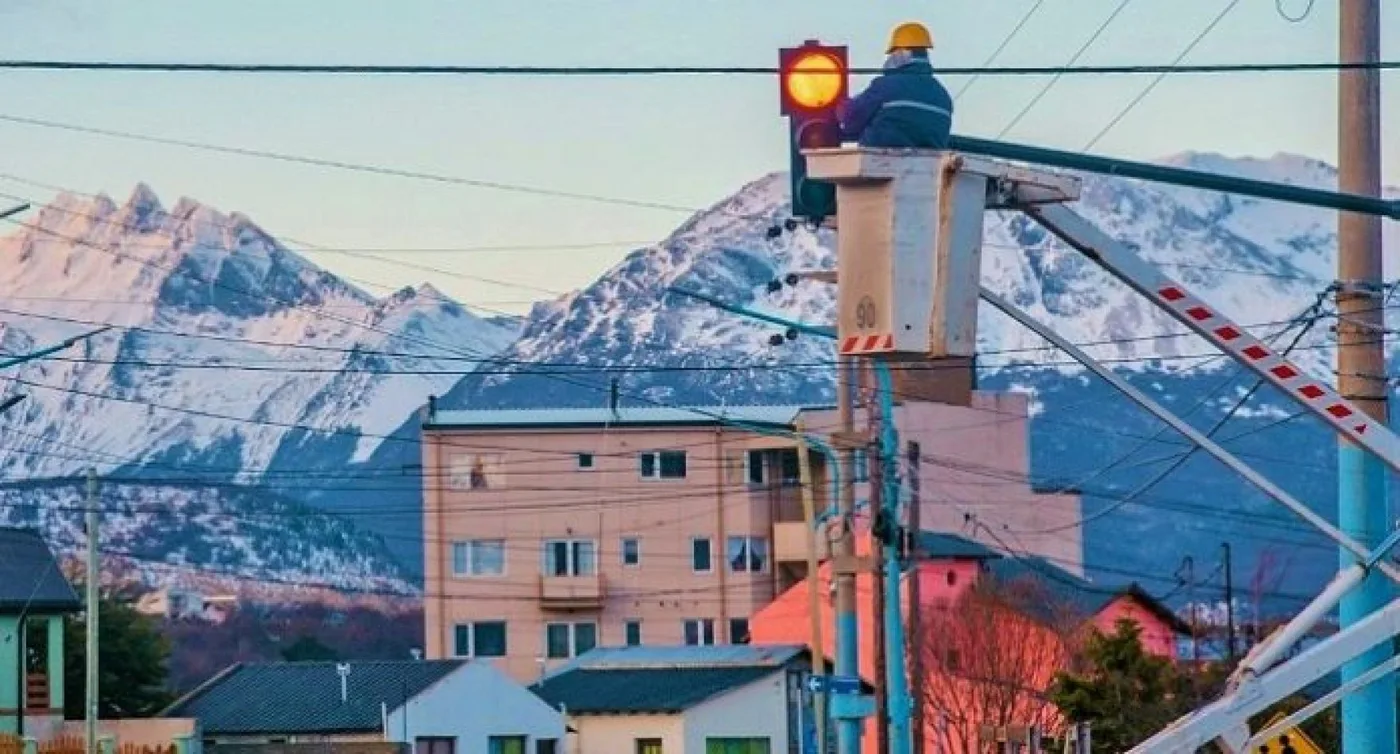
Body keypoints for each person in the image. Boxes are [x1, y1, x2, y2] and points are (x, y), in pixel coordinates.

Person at [838, 21, 954, 149]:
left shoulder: (886, 86)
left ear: (902, 53)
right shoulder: (943, 98)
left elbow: (851, 120)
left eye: (892, 53)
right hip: (928, 167)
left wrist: (842, 108)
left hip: (879, 162)